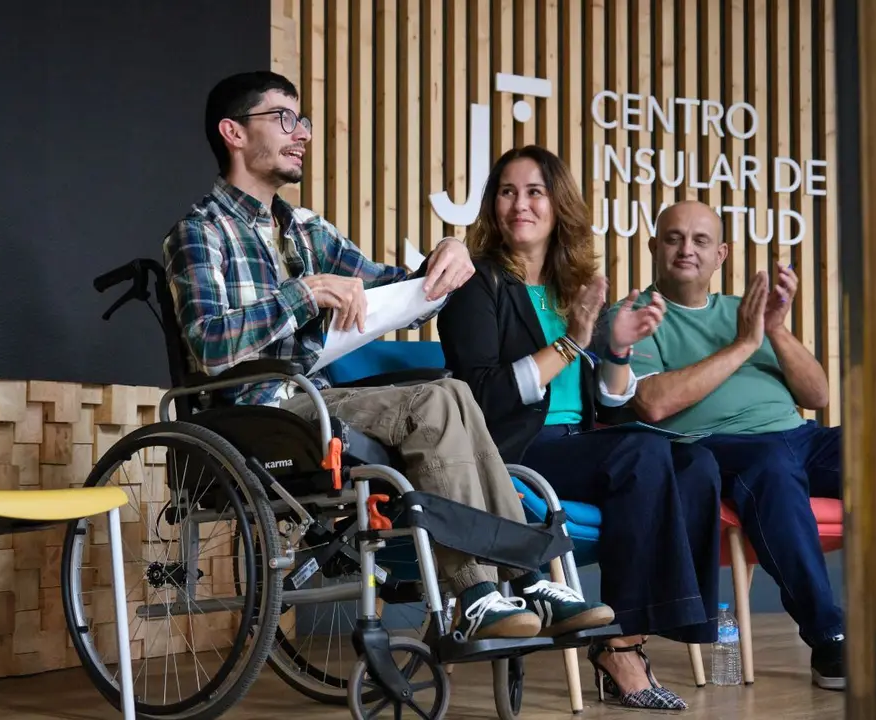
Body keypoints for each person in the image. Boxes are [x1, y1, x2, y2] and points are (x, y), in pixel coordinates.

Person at [162, 71, 614, 645]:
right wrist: (307, 294)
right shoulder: (200, 232)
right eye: (283, 118)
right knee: (435, 399)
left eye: (301, 120)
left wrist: (449, 255)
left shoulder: (305, 232)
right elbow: (208, 345)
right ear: (233, 132)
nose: (301, 133)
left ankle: (521, 580)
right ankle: (479, 592)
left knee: (450, 393)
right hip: (250, 414)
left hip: (309, 401)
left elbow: (404, 290)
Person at [436, 145, 725, 711]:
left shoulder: (576, 289)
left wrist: (617, 347)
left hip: (582, 446)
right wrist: (570, 341)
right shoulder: (478, 285)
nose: (520, 204)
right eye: (507, 191)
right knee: (641, 454)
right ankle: (620, 648)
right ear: (493, 206)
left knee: (698, 461)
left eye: (535, 192)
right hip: (514, 452)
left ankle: (638, 632)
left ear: (558, 204)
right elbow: (483, 398)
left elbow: (613, 408)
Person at [615, 199, 844, 691]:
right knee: (772, 466)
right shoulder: (636, 315)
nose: (686, 250)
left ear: (720, 254)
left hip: (801, 437)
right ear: (654, 247)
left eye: (700, 241)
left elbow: (818, 395)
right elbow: (652, 403)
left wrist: (775, 329)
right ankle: (831, 638)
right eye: (674, 238)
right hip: (719, 448)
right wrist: (742, 344)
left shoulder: (746, 311)